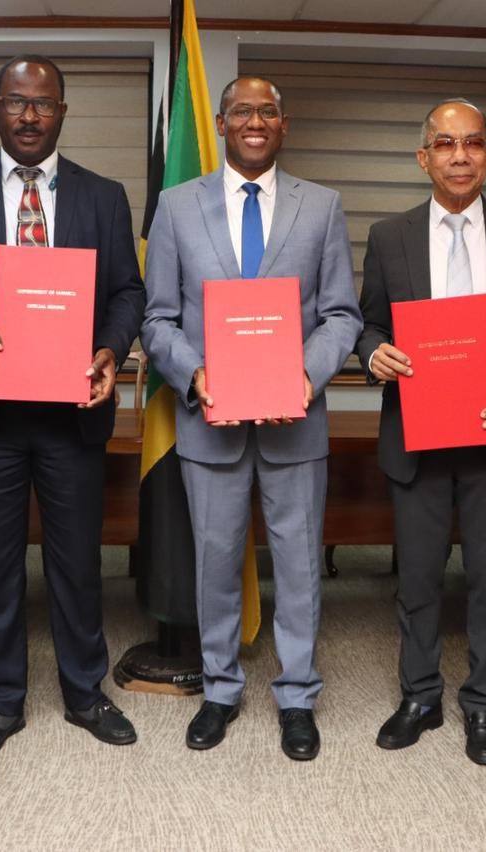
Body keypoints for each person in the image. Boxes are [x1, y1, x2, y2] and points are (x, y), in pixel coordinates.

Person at [0, 55, 145, 758]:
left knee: (78, 562)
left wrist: (111, 347)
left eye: (43, 104)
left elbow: (129, 291)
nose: (30, 115)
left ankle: (84, 692)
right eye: (17, 102)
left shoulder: (104, 195)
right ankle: (0, 702)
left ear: (63, 112)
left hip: (72, 409)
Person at [141, 76, 362, 761]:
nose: (255, 120)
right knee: (214, 563)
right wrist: (193, 373)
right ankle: (220, 688)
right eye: (243, 110)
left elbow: (341, 315)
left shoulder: (321, 207)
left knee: (298, 565)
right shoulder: (177, 207)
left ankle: (297, 696)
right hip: (210, 421)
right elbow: (158, 318)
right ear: (222, 121)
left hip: (295, 421)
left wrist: (307, 372)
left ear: (283, 123)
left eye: (268, 110)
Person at [356, 98, 486, 766]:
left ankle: (483, 706)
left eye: (473, 143)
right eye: (445, 144)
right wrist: (371, 350)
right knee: (416, 580)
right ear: (424, 158)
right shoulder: (389, 235)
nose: (460, 156)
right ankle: (418, 696)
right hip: (417, 435)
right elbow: (368, 322)